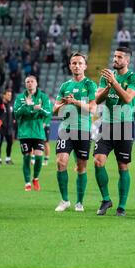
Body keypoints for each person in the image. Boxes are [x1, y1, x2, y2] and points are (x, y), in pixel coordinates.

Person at [94, 47, 135, 217]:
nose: (115, 59)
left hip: (124, 125)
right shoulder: (106, 77)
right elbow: (97, 99)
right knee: (98, 161)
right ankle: (106, 199)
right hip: (106, 125)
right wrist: (108, 86)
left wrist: (114, 82)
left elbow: (128, 98)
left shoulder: (134, 77)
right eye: (114, 56)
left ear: (127, 60)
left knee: (123, 166)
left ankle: (121, 206)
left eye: (119, 57)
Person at [52, 53, 97, 212]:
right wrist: (62, 103)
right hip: (65, 129)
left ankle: (79, 202)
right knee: (61, 162)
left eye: (79, 63)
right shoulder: (65, 86)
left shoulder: (90, 85)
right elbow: (54, 110)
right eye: (73, 63)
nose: (76, 66)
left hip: (83, 129)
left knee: (81, 166)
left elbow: (92, 109)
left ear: (85, 66)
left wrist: (75, 102)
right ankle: (64, 200)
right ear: (70, 66)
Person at [14, 76, 52, 191]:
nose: (29, 84)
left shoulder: (43, 97)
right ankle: (27, 183)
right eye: (27, 82)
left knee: (39, 156)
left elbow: (48, 113)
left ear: (36, 83)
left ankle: (35, 178)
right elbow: (16, 113)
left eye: (32, 81)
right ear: (25, 84)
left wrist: (39, 109)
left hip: (38, 132)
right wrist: (27, 105)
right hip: (24, 133)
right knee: (26, 157)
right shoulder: (20, 98)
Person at [0, 89, 14, 165]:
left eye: (10, 95)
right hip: (1, 128)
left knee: (10, 142)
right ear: (4, 95)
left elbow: (12, 114)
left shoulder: (10, 105)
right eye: (8, 95)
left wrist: (13, 119)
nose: (10, 96)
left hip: (9, 128)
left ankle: (7, 159)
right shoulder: (0, 105)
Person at [42, 99, 52, 166]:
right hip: (38, 126)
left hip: (46, 126)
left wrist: (45, 123)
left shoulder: (48, 105)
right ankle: (33, 159)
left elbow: (49, 115)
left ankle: (46, 160)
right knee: (34, 141)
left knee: (46, 143)